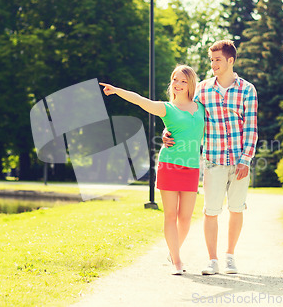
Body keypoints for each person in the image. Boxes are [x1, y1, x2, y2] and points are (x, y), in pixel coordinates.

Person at [163, 40, 258, 275]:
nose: (213, 64)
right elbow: (182, 112)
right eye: (211, 60)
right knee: (210, 211)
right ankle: (212, 260)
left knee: (236, 209)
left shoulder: (247, 90)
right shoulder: (203, 89)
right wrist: (167, 132)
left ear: (230, 61)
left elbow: (252, 128)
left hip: (239, 163)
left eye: (217, 60)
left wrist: (246, 159)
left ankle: (230, 256)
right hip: (213, 160)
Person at [99, 65, 205, 275]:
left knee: (185, 218)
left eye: (183, 81)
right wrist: (117, 90)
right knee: (170, 216)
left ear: (191, 84)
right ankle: (177, 261)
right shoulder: (167, 108)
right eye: (175, 79)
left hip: (192, 167)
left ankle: (172, 251)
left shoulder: (201, 106)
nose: (178, 84)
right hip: (169, 166)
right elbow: (140, 100)